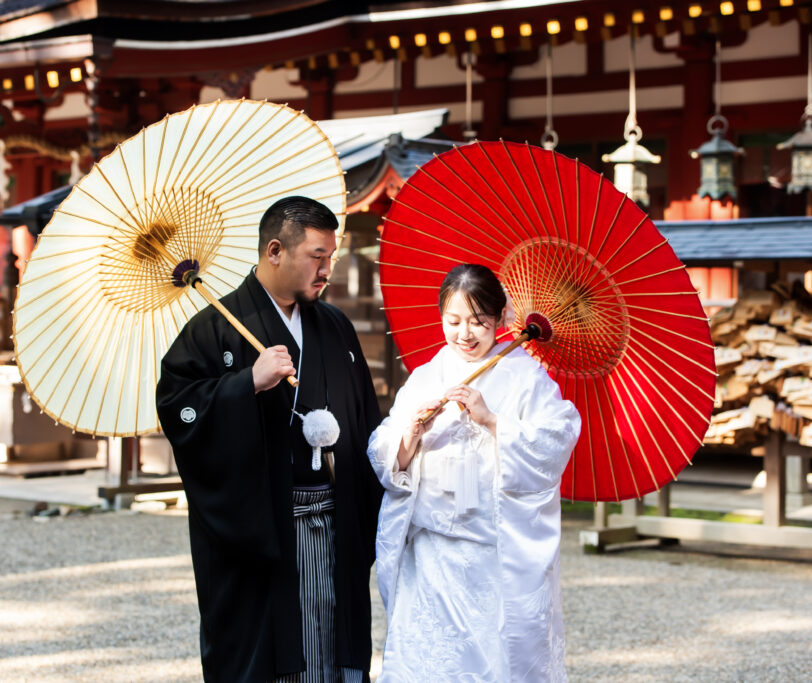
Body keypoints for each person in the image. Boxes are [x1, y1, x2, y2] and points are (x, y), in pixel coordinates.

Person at [156, 196, 383, 683]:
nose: (327, 269)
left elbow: (364, 420)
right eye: (317, 256)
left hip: (335, 518)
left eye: (331, 256)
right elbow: (179, 412)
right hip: (261, 534)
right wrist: (245, 384)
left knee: (333, 650)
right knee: (266, 655)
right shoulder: (210, 330)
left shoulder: (335, 327)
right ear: (275, 250)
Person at [368, 263, 582, 682]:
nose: (465, 333)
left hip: (491, 554)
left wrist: (493, 421)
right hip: (431, 551)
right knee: (426, 662)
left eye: (479, 322)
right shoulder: (427, 375)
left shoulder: (527, 376)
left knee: (488, 662)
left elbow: (557, 438)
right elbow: (384, 446)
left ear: (502, 319)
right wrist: (409, 434)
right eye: (454, 321)